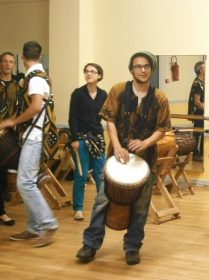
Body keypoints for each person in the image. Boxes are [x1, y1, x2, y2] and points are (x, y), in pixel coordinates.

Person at [76, 51, 171, 265]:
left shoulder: (159, 98)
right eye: (138, 66)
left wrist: (146, 143)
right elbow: (109, 120)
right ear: (131, 69)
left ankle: (132, 247)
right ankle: (90, 245)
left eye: (146, 66)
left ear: (151, 69)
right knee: (101, 202)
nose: (143, 69)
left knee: (140, 208)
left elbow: (162, 128)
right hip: (115, 160)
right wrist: (117, 146)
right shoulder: (118, 90)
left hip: (146, 162)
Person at [0, 41, 58, 247]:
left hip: (33, 138)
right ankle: (34, 229)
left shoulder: (34, 80)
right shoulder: (41, 77)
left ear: (22, 58)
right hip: (35, 136)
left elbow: (35, 107)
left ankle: (48, 223)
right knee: (29, 182)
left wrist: (12, 121)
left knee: (23, 183)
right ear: (40, 57)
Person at [68, 63, 107, 221]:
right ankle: (78, 209)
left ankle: (102, 207)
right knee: (81, 176)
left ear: (99, 76)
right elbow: (72, 118)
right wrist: (75, 139)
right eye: (87, 71)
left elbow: (108, 116)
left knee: (101, 175)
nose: (89, 74)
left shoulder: (104, 95)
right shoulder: (78, 94)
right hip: (81, 139)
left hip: (98, 138)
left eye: (93, 71)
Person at [0, 52, 21, 226]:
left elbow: (18, 109)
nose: (8, 64)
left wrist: (8, 124)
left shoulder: (17, 86)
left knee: (3, 175)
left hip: (8, 134)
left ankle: (1, 212)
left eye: (11, 62)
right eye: (5, 61)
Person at [188, 61, 205, 161]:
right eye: (205, 67)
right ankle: (196, 154)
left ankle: (201, 153)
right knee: (198, 133)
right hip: (199, 112)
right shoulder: (197, 83)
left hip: (202, 112)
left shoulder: (203, 82)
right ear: (200, 70)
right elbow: (197, 101)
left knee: (202, 133)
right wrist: (206, 110)